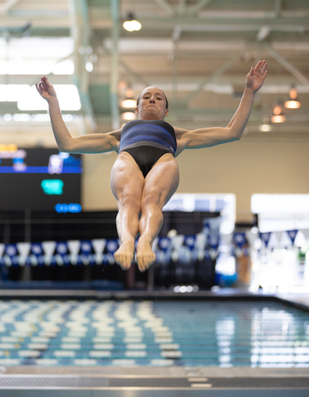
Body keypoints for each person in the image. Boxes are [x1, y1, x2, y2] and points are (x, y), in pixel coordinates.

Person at [36, 60, 267, 272]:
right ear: (136, 109)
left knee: (152, 200)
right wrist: (53, 103)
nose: (152, 99)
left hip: (163, 159)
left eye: (158, 97)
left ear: (166, 112)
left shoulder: (180, 135)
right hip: (128, 158)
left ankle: (145, 241)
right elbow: (67, 143)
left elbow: (232, 132)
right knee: (128, 201)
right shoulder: (119, 135)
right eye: (146, 97)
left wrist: (248, 91)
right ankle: (127, 241)